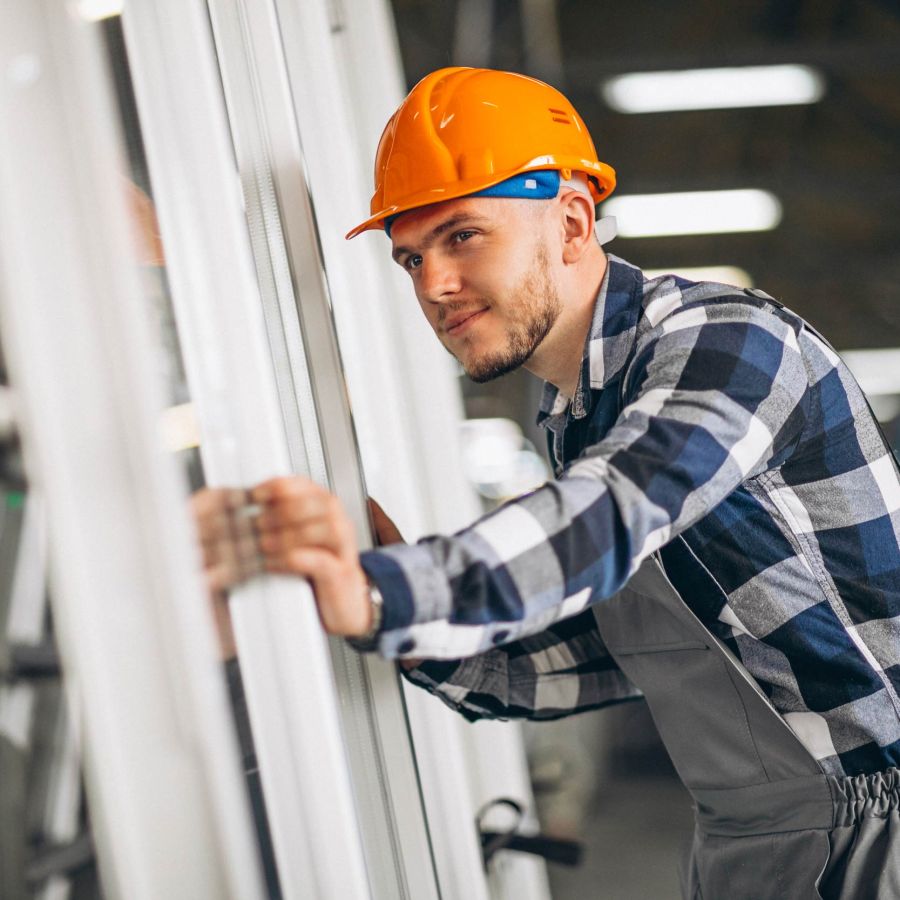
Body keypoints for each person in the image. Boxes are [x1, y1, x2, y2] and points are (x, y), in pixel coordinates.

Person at [194, 68, 900, 898]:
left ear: (571, 222)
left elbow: (616, 508)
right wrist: (371, 600)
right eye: (411, 257)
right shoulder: (576, 418)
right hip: (755, 844)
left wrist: (388, 590)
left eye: (463, 236)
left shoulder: (726, 341)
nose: (431, 285)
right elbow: (616, 656)